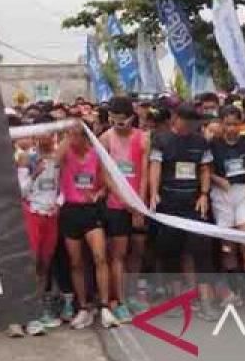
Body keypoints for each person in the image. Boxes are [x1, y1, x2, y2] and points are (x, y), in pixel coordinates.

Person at [148, 104, 218, 321]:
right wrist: (153, 193)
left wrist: (204, 194)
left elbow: (205, 169)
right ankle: (177, 301)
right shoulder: (161, 140)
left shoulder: (201, 142)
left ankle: (206, 302)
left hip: (194, 204)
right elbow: (155, 167)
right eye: (185, 122)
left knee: (202, 251)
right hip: (169, 203)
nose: (189, 127)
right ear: (175, 119)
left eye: (192, 123)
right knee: (171, 253)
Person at [56, 123, 115, 329]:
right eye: (69, 135)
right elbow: (55, 159)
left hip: (90, 212)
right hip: (70, 210)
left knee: (100, 257)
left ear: (85, 137)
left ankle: (105, 306)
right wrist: (67, 132)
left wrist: (99, 193)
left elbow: (105, 182)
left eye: (76, 135)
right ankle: (83, 308)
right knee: (76, 262)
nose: (72, 139)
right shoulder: (65, 153)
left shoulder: (95, 155)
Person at [99, 97, 147, 320]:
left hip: (138, 205)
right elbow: (105, 176)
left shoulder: (143, 138)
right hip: (116, 205)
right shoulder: (106, 139)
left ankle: (133, 293)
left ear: (132, 117)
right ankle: (118, 300)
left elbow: (145, 173)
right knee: (118, 254)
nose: (120, 125)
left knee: (137, 252)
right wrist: (123, 199)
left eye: (123, 120)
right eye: (115, 120)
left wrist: (139, 205)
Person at [208, 106, 245, 305]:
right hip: (222, 194)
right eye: (227, 124)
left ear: (241, 124)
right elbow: (207, 170)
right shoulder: (213, 144)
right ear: (221, 123)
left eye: (235, 124)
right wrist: (218, 180)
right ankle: (233, 291)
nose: (231, 128)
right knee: (228, 246)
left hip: (243, 191)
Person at [20, 115, 62, 332]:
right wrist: (34, 175)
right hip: (32, 214)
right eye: (40, 131)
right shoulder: (27, 159)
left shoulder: (59, 157)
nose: (45, 137)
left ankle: (37, 308)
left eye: (49, 132)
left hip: (51, 215)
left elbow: (63, 187)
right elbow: (20, 191)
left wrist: (59, 203)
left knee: (45, 264)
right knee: (32, 262)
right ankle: (25, 311)